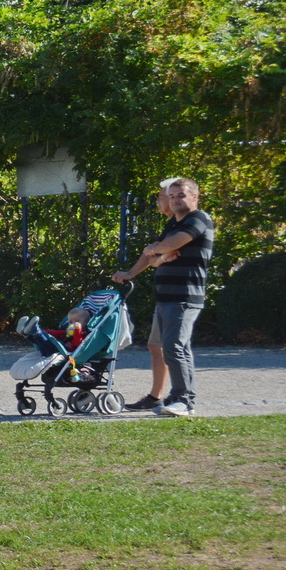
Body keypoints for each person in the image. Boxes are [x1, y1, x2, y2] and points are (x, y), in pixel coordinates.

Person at [114, 178, 211, 415]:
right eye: (172, 196)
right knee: (157, 346)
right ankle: (157, 398)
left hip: (184, 296)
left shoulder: (198, 219)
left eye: (181, 195)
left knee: (174, 347)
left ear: (194, 197)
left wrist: (159, 248)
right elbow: (161, 253)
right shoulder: (174, 224)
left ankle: (184, 400)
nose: (175, 199)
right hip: (166, 297)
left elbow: (175, 244)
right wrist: (132, 272)